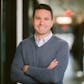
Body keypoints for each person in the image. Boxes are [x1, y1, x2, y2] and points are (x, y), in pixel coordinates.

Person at [11, 4, 69, 84]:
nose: (42, 23)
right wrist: (45, 72)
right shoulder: (23, 45)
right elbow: (15, 75)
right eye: (38, 18)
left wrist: (28, 69)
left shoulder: (62, 46)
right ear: (33, 21)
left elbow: (54, 77)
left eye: (46, 19)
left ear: (52, 22)